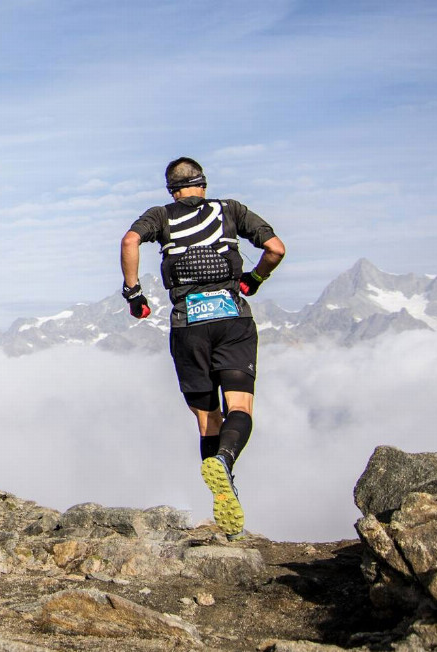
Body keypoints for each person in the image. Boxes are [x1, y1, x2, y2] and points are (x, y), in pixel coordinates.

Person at [119, 157, 286, 537]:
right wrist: (255, 278)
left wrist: (134, 294)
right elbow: (276, 249)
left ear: (171, 189)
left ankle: (221, 486)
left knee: (207, 418)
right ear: (204, 185)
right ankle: (225, 462)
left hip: (188, 326)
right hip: (233, 322)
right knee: (240, 407)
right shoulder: (232, 210)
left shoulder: (160, 216)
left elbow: (130, 240)